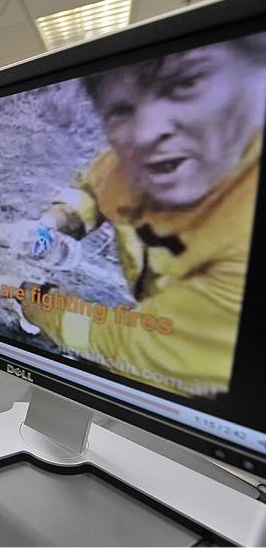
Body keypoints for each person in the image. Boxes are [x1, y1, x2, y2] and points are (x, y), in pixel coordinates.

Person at [15, 35, 266, 397]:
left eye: (185, 83)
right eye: (121, 111)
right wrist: (53, 224)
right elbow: (94, 187)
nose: (146, 133)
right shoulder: (145, 161)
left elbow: (133, 347)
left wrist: (37, 302)